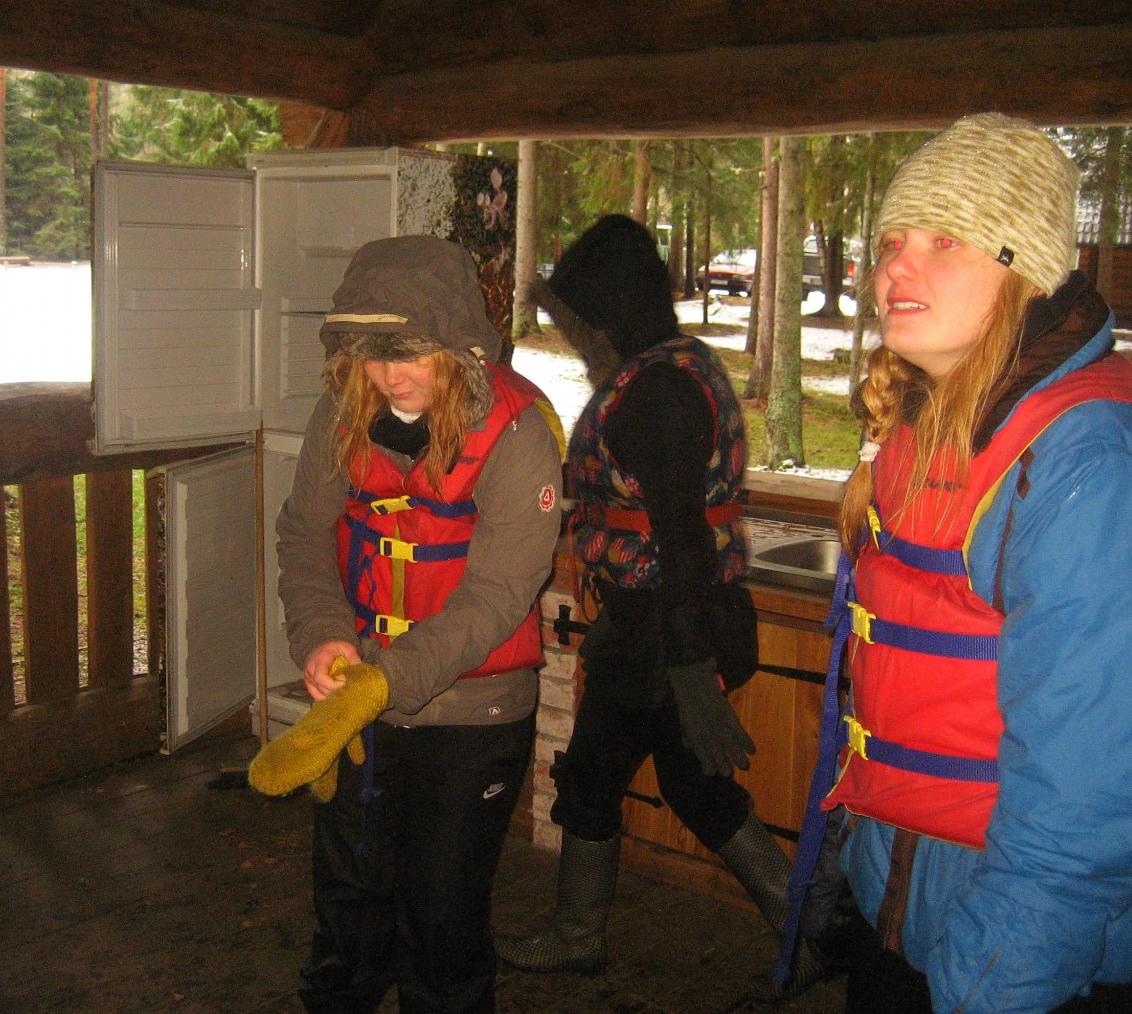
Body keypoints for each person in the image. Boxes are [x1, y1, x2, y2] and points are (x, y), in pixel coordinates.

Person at [783, 113, 1132, 1013]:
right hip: (914, 901)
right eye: (891, 242)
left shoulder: (1094, 462)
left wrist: (993, 982)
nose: (896, 269)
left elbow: (1088, 800)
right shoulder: (936, 422)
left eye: (943, 240)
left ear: (1027, 269)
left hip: (1030, 951)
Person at [496, 215, 805, 980]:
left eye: (580, 321)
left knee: (604, 778)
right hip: (664, 622)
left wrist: (690, 669)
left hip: (668, 629)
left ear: (610, 314)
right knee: (686, 785)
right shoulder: (675, 365)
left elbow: (681, 537)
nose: (574, 337)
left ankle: (581, 937)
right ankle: (812, 928)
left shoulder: (655, 393)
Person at [270, 235, 564, 1013]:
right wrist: (322, 636)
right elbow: (304, 533)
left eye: (409, 353)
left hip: (473, 713)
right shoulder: (342, 414)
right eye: (370, 354)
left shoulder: (518, 432)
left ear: (458, 343)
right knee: (348, 900)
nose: (389, 375)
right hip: (359, 694)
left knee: (441, 920)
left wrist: (383, 681)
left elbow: (498, 595)